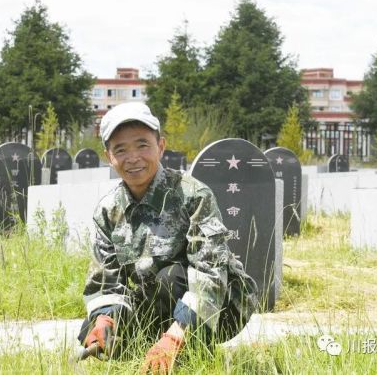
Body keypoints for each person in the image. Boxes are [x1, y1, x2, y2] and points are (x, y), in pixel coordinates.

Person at [77, 102, 258, 373]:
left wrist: (176, 335)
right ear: (108, 156)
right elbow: (105, 282)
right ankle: (154, 349)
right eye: (121, 150)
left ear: (160, 146)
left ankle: (189, 351)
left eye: (142, 145)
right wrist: (106, 320)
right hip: (154, 296)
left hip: (223, 299)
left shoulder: (192, 195)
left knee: (169, 277)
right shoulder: (108, 211)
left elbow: (210, 271)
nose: (133, 157)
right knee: (96, 329)